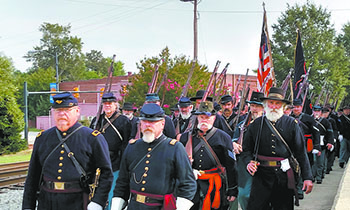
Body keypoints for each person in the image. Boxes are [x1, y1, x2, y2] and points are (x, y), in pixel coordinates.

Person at [23, 92, 113, 210]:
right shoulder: (43, 138)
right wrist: (28, 206)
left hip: (78, 201)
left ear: (77, 111)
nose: (61, 114)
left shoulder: (92, 138)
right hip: (47, 201)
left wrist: (98, 202)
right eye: (57, 110)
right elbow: (33, 176)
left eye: (66, 110)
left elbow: (106, 174)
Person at [111, 103, 197, 210]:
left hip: (160, 206)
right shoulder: (132, 147)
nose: (148, 125)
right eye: (144, 121)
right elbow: (122, 183)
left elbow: (188, 184)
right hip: (134, 206)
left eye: (152, 122)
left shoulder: (175, 148)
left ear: (162, 124)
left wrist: (180, 207)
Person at [242, 87, 313, 210]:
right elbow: (246, 150)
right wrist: (248, 162)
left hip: (283, 176)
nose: (274, 106)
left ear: (283, 106)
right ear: (265, 104)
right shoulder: (256, 124)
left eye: (277, 103)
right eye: (271, 103)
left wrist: (307, 177)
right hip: (261, 175)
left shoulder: (291, 124)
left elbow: (301, 152)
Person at [179, 101, 238, 210]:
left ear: (214, 118)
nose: (204, 120)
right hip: (192, 184)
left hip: (215, 185)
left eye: (207, 117)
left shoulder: (224, 138)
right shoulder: (186, 137)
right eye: (201, 117)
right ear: (197, 118)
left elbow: (230, 165)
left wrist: (232, 189)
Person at [90, 93, 132, 210]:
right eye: (105, 103)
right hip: (97, 162)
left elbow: (125, 144)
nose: (107, 106)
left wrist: (124, 163)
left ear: (115, 105)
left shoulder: (123, 121)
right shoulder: (97, 120)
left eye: (110, 103)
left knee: (112, 194)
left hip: (115, 162)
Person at [231, 91, 264, 210]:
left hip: (264, 163)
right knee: (244, 195)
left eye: (257, 106)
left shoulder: (270, 124)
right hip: (245, 163)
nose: (254, 109)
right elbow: (233, 139)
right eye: (253, 105)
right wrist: (234, 144)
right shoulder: (242, 124)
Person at [290, 98, 320, 199]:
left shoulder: (308, 118)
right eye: (294, 107)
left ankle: (300, 189)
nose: (296, 109)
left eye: (297, 107)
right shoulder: (288, 118)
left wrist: (317, 146)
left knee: (303, 166)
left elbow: (316, 132)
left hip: (306, 145)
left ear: (301, 107)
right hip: (292, 146)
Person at [312, 105, 334, 184]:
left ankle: (319, 177)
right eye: (315, 111)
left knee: (320, 162)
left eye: (318, 111)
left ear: (321, 112)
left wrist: (330, 142)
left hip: (322, 143)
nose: (316, 113)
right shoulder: (310, 120)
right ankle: (312, 176)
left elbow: (330, 133)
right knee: (313, 161)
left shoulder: (326, 122)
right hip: (312, 143)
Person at [321, 107, 338, 174]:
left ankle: (328, 167)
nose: (325, 114)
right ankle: (323, 170)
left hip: (330, 139)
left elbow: (335, 130)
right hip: (322, 140)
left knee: (330, 155)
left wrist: (334, 138)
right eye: (324, 113)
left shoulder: (332, 120)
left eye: (326, 113)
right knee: (323, 156)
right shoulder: (317, 120)